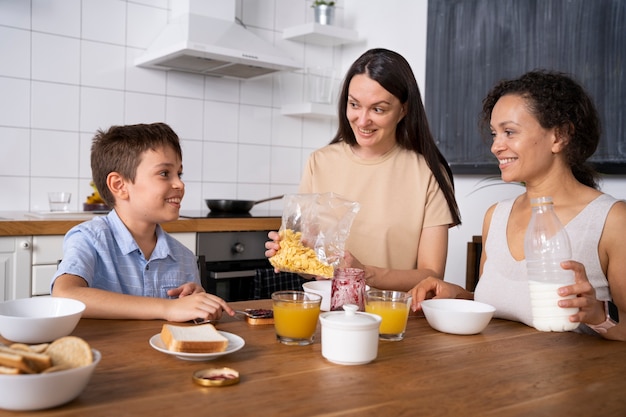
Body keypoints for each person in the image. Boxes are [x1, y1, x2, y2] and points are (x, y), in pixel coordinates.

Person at [409, 70, 626, 341]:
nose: (496, 147)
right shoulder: (496, 217)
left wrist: (598, 316)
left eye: (509, 132)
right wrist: (458, 295)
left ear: (559, 136)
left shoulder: (611, 220)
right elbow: (508, 307)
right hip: (498, 375)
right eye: (494, 134)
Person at [266, 48, 461, 291]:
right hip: (330, 315)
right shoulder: (320, 162)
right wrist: (291, 255)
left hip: (395, 318)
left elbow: (432, 276)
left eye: (378, 109)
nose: (362, 120)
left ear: (404, 109)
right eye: (354, 105)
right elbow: (311, 265)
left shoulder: (428, 173)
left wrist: (365, 273)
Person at [51, 123, 234, 322]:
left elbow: (188, 324)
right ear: (119, 186)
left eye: (179, 174)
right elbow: (64, 295)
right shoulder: (89, 239)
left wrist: (197, 305)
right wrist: (167, 308)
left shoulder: (184, 257)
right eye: (165, 173)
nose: (180, 184)